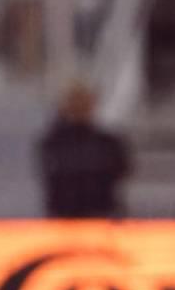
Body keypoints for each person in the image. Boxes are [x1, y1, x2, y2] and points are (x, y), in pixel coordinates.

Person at [38, 82, 131, 217]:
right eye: (74, 101)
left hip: (100, 214)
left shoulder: (109, 142)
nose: (79, 106)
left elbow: (121, 171)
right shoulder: (53, 142)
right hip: (64, 216)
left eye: (83, 101)